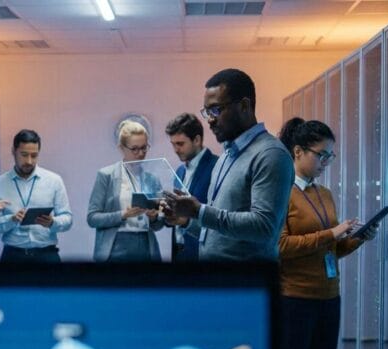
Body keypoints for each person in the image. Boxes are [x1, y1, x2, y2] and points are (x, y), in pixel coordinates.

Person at [274, 118, 376, 349]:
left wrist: (354, 240)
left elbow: (329, 250)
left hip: (327, 299)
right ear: (298, 153)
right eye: (322, 155)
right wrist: (331, 235)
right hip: (293, 299)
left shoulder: (325, 193)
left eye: (330, 156)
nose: (326, 162)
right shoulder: (281, 192)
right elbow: (280, 247)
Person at [162, 68, 293, 262]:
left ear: (244, 106)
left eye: (216, 110)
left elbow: (264, 227)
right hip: (219, 281)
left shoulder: (270, 154)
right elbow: (218, 232)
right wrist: (187, 221)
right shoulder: (226, 155)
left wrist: (199, 211)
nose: (210, 120)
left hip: (246, 285)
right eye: (207, 112)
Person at [87, 120, 165, 262]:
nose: (140, 153)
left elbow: (160, 223)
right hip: (114, 246)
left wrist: (154, 217)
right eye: (134, 149)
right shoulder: (106, 175)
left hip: (146, 245)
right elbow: (92, 218)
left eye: (144, 148)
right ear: (121, 148)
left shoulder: (152, 179)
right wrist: (123, 214)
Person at [0, 129, 73, 262]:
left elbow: (68, 219)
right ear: (13, 151)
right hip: (12, 256)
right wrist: (11, 219)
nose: (29, 161)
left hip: (47, 255)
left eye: (34, 155)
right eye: (24, 155)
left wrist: (53, 222)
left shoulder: (54, 181)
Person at [163, 112, 218, 262]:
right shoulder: (180, 171)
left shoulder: (217, 167)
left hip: (204, 255)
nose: (175, 149)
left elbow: (220, 219)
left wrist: (186, 220)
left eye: (180, 144)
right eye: (173, 144)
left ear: (197, 140)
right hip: (179, 253)